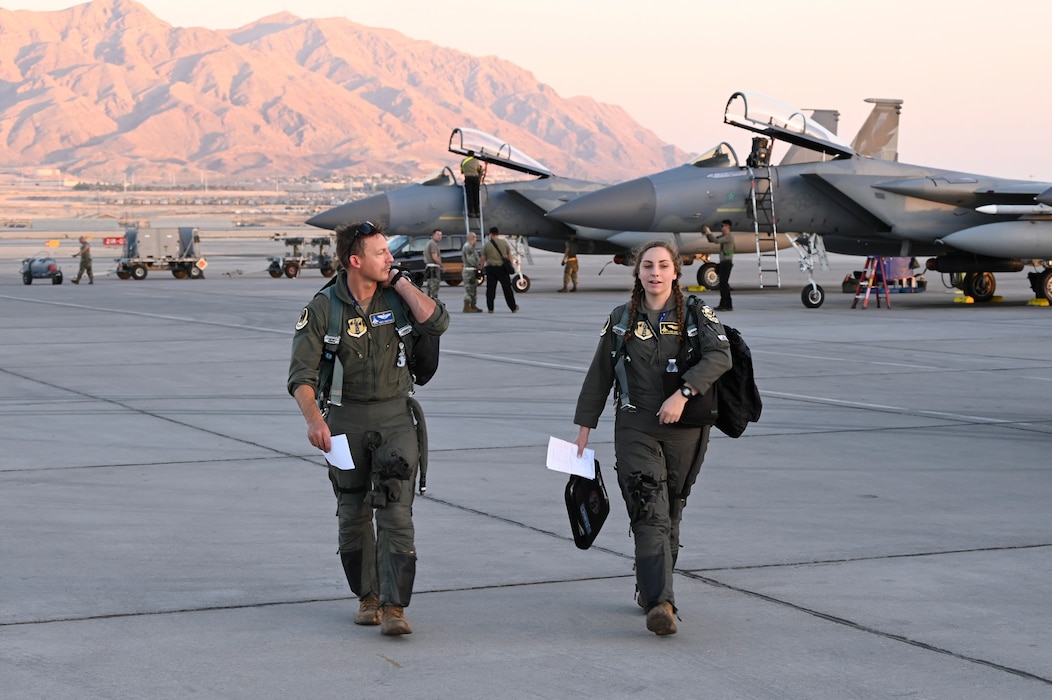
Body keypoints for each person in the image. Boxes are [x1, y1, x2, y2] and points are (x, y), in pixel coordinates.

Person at [288, 221, 449, 637]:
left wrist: (403, 284)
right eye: (381, 254)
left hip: (396, 417)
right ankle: (369, 598)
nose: (390, 258)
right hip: (345, 421)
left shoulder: (397, 298)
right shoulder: (323, 308)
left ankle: (395, 607)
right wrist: (315, 420)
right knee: (352, 515)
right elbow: (301, 377)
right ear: (355, 261)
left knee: (397, 512)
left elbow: (438, 324)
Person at [572, 240, 731, 636]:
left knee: (672, 511)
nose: (655, 273)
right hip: (635, 425)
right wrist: (583, 427)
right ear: (638, 272)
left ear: (675, 271)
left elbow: (720, 356)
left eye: (662, 265)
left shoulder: (697, 313)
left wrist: (684, 392)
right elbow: (599, 375)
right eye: (647, 265)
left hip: (686, 429)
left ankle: (651, 586)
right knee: (649, 509)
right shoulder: (622, 318)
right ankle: (662, 603)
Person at [478, 226, 518, 313]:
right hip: (502, 268)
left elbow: (483, 258)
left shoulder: (487, 245)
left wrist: (480, 268)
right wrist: (510, 265)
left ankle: (490, 308)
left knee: (490, 289)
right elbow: (510, 256)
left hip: (491, 269)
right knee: (507, 288)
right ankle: (513, 307)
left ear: (491, 235)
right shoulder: (504, 243)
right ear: (497, 234)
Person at [703, 219, 734, 311]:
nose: (721, 227)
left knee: (723, 284)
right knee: (724, 284)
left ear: (727, 227)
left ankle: (725, 304)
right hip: (724, 262)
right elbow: (712, 240)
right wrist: (707, 233)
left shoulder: (729, 237)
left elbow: (716, 240)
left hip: (726, 263)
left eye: (722, 226)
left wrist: (708, 232)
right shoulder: (725, 236)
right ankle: (728, 304)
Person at [461, 231, 482, 313]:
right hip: (469, 271)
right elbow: (471, 260)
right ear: (472, 238)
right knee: (469, 289)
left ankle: (473, 305)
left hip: (472, 270)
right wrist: (478, 265)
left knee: (473, 289)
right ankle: (466, 307)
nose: (476, 239)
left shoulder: (471, 247)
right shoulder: (468, 247)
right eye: (475, 237)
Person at [460, 151, 485, 218]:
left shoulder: (463, 161)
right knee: (476, 195)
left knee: (470, 195)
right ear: (473, 155)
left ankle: (471, 212)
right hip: (475, 179)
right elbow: (479, 170)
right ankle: (477, 212)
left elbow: (462, 171)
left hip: (468, 179)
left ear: (467, 155)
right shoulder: (476, 161)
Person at [424, 229, 443, 300]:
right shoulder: (433, 244)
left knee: (429, 286)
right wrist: (442, 265)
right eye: (438, 235)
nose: (440, 237)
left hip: (429, 268)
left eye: (441, 235)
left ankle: (428, 302)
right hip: (433, 268)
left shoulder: (429, 243)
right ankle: (434, 302)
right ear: (433, 235)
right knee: (434, 287)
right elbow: (434, 257)